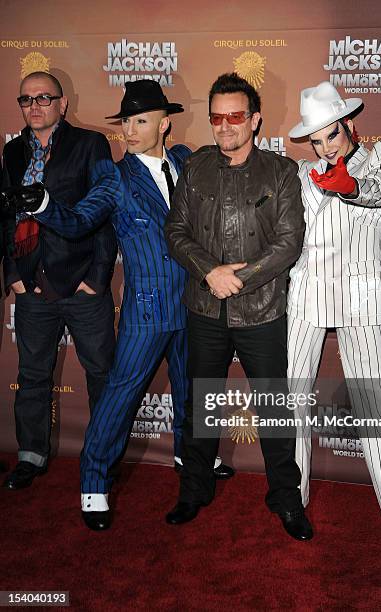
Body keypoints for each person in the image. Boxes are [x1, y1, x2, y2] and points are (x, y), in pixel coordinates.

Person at [2, 79, 233, 531]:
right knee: (118, 396)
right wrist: (45, 204)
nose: (129, 129)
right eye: (125, 120)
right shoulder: (115, 176)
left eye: (140, 120)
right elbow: (79, 220)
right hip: (146, 309)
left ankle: (194, 458)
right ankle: (93, 484)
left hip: (194, 304)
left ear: (165, 125)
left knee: (193, 388)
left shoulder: (186, 161)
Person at [164, 73, 312, 541]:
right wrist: (211, 272)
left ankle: (287, 500)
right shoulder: (195, 169)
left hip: (263, 309)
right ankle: (194, 490)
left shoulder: (281, 171)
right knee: (199, 405)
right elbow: (175, 232)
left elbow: (288, 243)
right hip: (204, 308)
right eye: (216, 116)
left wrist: (237, 278)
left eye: (235, 116)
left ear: (254, 119)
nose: (225, 125)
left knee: (272, 410)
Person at [287, 81, 381, 560]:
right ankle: (292, 502)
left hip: (360, 296)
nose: (324, 147)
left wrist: (349, 184)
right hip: (304, 294)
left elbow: (378, 191)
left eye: (331, 136)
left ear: (349, 124)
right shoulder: (303, 173)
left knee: (376, 405)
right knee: (291, 400)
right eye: (316, 140)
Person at [1, 71, 117, 490]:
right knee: (32, 375)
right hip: (32, 286)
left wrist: (97, 278)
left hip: (83, 284)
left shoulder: (90, 144)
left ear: (62, 104)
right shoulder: (13, 152)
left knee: (102, 373)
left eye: (44, 98)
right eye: (26, 99)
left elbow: (105, 214)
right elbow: (8, 216)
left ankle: (105, 456)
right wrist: (13, 275)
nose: (34, 106)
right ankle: (31, 455)